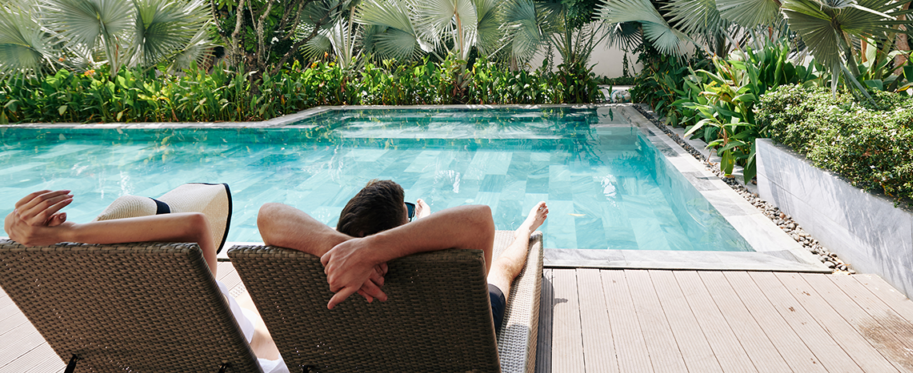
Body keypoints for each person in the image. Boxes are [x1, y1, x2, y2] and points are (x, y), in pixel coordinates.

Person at [4, 187, 286, 373]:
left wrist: (17, 227)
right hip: (246, 357)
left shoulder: (95, 300)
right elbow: (196, 223)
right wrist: (68, 232)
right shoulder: (196, 286)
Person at [258, 179, 548, 333]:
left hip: (367, 347)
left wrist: (349, 248)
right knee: (504, 268)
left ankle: (424, 220)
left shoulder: (329, 267)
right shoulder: (431, 271)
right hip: (455, 332)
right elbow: (480, 219)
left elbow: (267, 214)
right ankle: (526, 228)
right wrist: (369, 251)